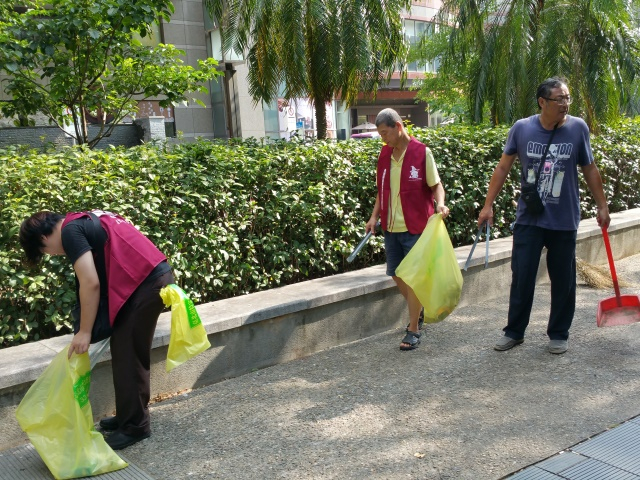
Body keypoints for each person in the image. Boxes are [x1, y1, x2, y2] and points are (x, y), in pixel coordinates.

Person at [19, 210, 174, 449]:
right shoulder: (81, 221)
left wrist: (84, 332)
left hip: (146, 284)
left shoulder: (70, 231)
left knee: (129, 355)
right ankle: (128, 415)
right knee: (124, 350)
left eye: (43, 251)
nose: (51, 254)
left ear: (42, 239)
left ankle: (135, 427)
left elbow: (90, 282)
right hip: (150, 279)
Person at [477, 77, 610, 355]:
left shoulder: (577, 129)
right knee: (522, 275)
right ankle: (514, 332)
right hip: (529, 218)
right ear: (542, 102)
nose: (565, 104)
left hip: (563, 219)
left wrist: (602, 205)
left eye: (567, 98)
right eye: (559, 99)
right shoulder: (522, 129)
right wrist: (488, 205)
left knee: (563, 278)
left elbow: (590, 168)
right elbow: (503, 167)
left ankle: (559, 333)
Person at [365, 108, 450, 351]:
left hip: (416, 227)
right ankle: (419, 308)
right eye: (380, 134)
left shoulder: (422, 152)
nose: (383, 138)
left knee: (413, 279)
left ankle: (413, 328)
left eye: (385, 133)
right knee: (395, 273)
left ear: (398, 126)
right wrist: (374, 217)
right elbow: (382, 191)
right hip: (391, 228)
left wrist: (440, 204)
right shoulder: (384, 155)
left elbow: (436, 185)